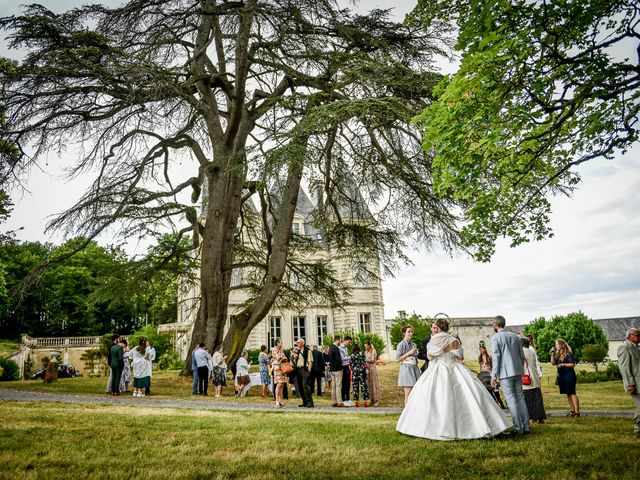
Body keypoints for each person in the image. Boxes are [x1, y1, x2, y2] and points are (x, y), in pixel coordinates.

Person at [396, 317, 512, 440]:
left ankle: (437, 427)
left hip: (439, 368)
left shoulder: (434, 340)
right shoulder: (454, 340)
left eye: (435, 327)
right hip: (456, 368)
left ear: (439, 328)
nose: (434, 329)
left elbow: (430, 357)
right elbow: (461, 357)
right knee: (469, 395)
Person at [491, 315, 530, 435]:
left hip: (505, 373)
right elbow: (521, 354)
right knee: (520, 398)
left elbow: (496, 358)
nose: (492, 325)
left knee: (511, 399)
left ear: (497, 325)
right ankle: (526, 427)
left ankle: (518, 428)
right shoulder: (515, 336)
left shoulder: (496, 338)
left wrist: (493, 376)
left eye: (493, 324)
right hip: (518, 371)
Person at [617, 327, 640, 438]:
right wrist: (630, 383)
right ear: (631, 335)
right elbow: (624, 367)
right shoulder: (624, 347)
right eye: (638, 335)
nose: (639, 337)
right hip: (634, 384)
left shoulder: (637, 348)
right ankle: (637, 431)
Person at [550, 338, 580, 417]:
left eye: (557, 344)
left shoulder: (568, 353)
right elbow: (553, 363)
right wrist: (552, 354)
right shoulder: (557, 354)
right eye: (555, 344)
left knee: (572, 393)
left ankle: (577, 411)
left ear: (562, 345)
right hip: (562, 376)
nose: (555, 346)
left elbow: (573, 364)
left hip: (569, 375)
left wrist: (563, 364)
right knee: (568, 393)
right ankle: (572, 410)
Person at [521, 337, 546, 424]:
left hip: (527, 379)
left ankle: (533, 418)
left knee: (529, 401)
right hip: (535, 377)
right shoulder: (532, 351)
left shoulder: (522, 352)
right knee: (537, 401)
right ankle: (540, 418)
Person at [396, 325, 421, 405]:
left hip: (415, 369)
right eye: (408, 332)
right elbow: (397, 359)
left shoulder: (414, 344)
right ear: (404, 333)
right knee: (408, 393)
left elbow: (415, 358)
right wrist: (409, 353)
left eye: (411, 331)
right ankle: (406, 414)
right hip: (406, 370)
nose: (411, 333)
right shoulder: (401, 345)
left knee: (416, 393)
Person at [478, 343, 505, 409]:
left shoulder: (489, 357)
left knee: (495, 389)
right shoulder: (480, 357)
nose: (481, 350)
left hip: (489, 373)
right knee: (488, 390)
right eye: (480, 349)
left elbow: (492, 366)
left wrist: (493, 374)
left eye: (482, 349)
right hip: (484, 374)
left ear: (485, 349)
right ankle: (495, 404)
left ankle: (501, 403)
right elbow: (480, 366)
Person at [292, 338, 314, 408]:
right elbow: (295, 362)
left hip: (305, 369)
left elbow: (310, 361)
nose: (297, 343)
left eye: (298, 342)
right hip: (298, 370)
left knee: (305, 385)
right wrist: (295, 358)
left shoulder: (308, 351)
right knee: (300, 386)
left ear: (302, 343)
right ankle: (304, 402)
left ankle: (310, 402)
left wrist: (309, 371)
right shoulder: (297, 351)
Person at [271, 339, 288, 408]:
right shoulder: (274, 350)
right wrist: (282, 357)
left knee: (282, 384)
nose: (282, 344)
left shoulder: (281, 350)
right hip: (277, 369)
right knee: (279, 384)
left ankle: (280, 400)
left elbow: (286, 358)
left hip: (282, 369)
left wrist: (282, 357)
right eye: (281, 343)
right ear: (277, 343)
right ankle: (277, 401)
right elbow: (278, 358)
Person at [329, 336, 344, 407]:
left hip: (332, 369)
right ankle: (339, 402)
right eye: (340, 341)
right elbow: (338, 360)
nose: (340, 342)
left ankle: (334, 401)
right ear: (337, 340)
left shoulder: (330, 348)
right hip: (337, 369)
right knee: (338, 386)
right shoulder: (336, 348)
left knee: (333, 386)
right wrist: (341, 368)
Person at [364, 340, 380, 407]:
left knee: (374, 384)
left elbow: (373, 360)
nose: (365, 347)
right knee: (369, 384)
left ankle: (376, 400)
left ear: (369, 345)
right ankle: (372, 399)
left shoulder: (373, 351)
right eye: (364, 346)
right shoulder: (365, 352)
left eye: (366, 346)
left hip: (372, 368)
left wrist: (365, 360)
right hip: (368, 369)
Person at [340, 336, 352, 405]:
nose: (349, 344)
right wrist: (350, 357)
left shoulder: (346, 348)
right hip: (343, 367)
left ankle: (348, 398)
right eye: (349, 342)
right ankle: (343, 399)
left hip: (347, 366)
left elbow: (346, 358)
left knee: (348, 383)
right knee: (344, 383)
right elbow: (342, 358)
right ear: (345, 340)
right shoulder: (340, 348)